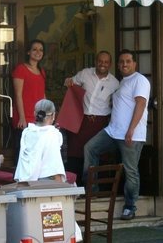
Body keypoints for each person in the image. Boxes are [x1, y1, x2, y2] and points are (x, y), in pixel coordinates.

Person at [83, 49, 151, 221]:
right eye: (121, 62)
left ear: (135, 63)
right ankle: (93, 192)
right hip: (113, 132)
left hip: (131, 135)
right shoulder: (121, 82)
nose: (124, 64)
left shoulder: (140, 80)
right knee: (90, 148)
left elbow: (141, 105)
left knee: (130, 171)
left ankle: (130, 207)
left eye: (128, 61)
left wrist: (131, 129)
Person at [63, 50, 119, 184]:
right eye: (100, 61)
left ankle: (91, 189)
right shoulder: (85, 73)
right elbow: (70, 82)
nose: (103, 64)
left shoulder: (115, 83)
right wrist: (68, 82)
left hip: (99, 124)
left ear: (110, 64)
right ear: (96, 61)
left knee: (94, 155)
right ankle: (75, 188)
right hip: (81, 120)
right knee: (75, 153)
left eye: (106, 62)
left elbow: (117, 104)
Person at [14, 99, 66, 182]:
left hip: (24, 180)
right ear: (53, 116)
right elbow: (55, 166)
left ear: (35, 114)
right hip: (46, 181)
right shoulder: (53, 134)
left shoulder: (26, 132)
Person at [12, 39, 46, 161]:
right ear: (28, 52)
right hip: (25, 117)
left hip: (38, 118)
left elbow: (42, 94)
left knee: (36, 152)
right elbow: (18, 95)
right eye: (34, 49)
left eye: (41, 50)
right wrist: (22, 117)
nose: (38, 52)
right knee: (23, 153)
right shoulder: (21, 69)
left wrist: (47, 115)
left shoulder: (41, 71)